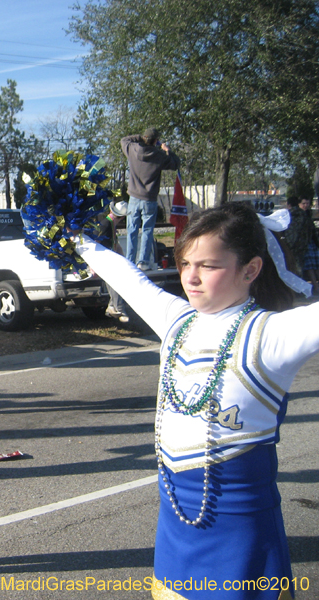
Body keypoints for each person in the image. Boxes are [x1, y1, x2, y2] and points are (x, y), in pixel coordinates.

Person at [72, 202, 315, 600]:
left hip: (241, 544)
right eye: (185, 263)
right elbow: (130, 279)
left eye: (209, 266)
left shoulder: (273, 335)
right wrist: (69, 237)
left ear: (251, 269)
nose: (191, 277)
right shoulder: (177, 321)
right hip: (175, 535)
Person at [121, 128, 180, 271]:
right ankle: (143, 262)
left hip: (134, 197)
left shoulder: (133, 149)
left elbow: (124, 140)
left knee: (132, 230)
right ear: (155, 141)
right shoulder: (158, 155)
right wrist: (167, 149)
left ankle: (130, 261)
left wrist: (139, 137)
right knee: (147, 230)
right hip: (149, 199)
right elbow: (175, 163)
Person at [99, 199, 130, 323]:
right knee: (115, 281)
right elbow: (97, 241)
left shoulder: (110, 224)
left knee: (115, 281)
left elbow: (115, 244)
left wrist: (123, 260)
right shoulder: (106, 224)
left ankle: (113, 306)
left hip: (109, 257)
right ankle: (118, 308)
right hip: (104, 258)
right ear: (122, 217)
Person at [283, 195, 313, 276]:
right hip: (302, 246)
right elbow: (311, 230)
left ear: (289, 204)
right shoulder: (305, 215)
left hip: (289, 245)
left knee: (289, 266)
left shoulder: (286, 215)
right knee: (299, 267)